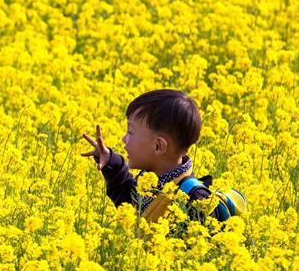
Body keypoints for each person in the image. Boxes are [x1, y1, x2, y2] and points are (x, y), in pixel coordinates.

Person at [81, 89, 224, 223]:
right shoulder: (151, 181)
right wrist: (111, 161)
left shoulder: (195, 200)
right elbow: (128, 204)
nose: (124, 139)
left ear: (158, 146)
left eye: (130, 132)